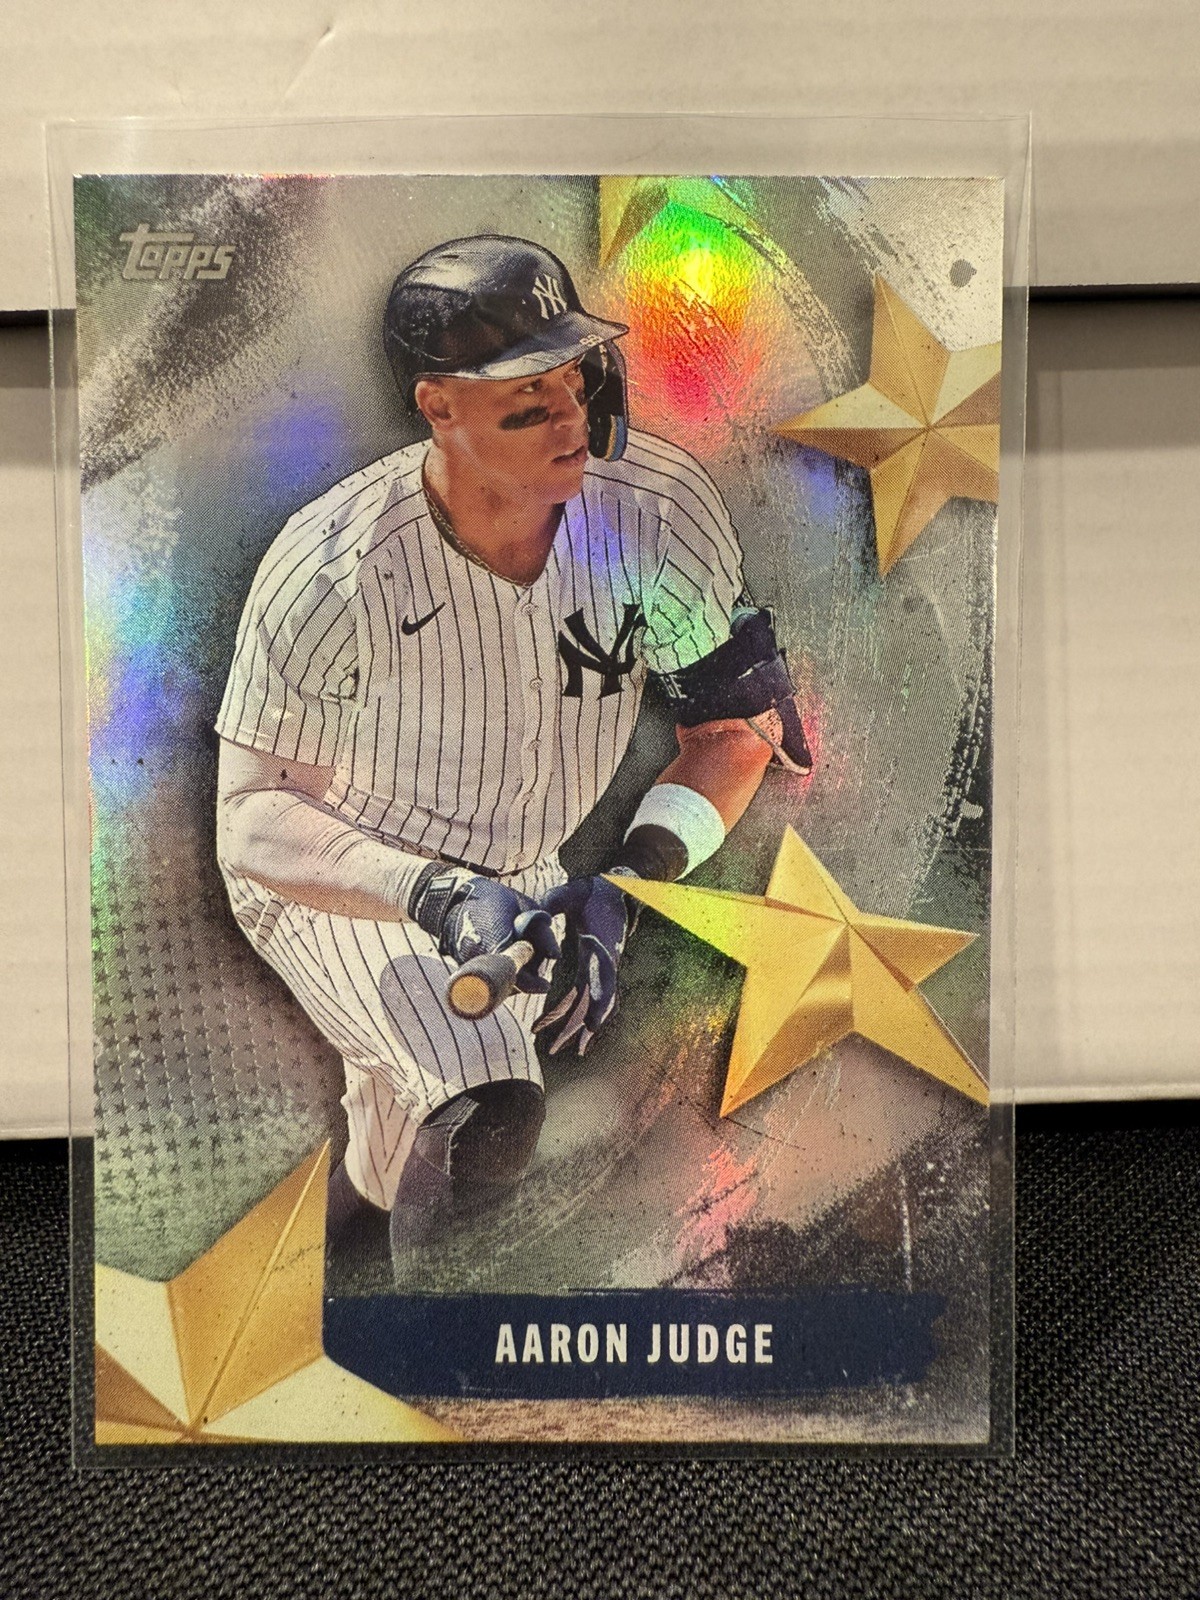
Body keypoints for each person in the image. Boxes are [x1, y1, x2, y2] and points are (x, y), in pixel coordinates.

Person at [214, 234, 809, 1273]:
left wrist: (629, 882)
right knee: (486, 1108)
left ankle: (310, 1297)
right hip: (345, 875)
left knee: (399, 1161)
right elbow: (251, 819)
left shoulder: (655, 512)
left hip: (524, 869)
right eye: (528, 400)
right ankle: (435, 1361)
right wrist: (432, 892)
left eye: (576, 378)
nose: (573, 418)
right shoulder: (334, 564)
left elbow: (731, 736)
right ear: (437, 405)